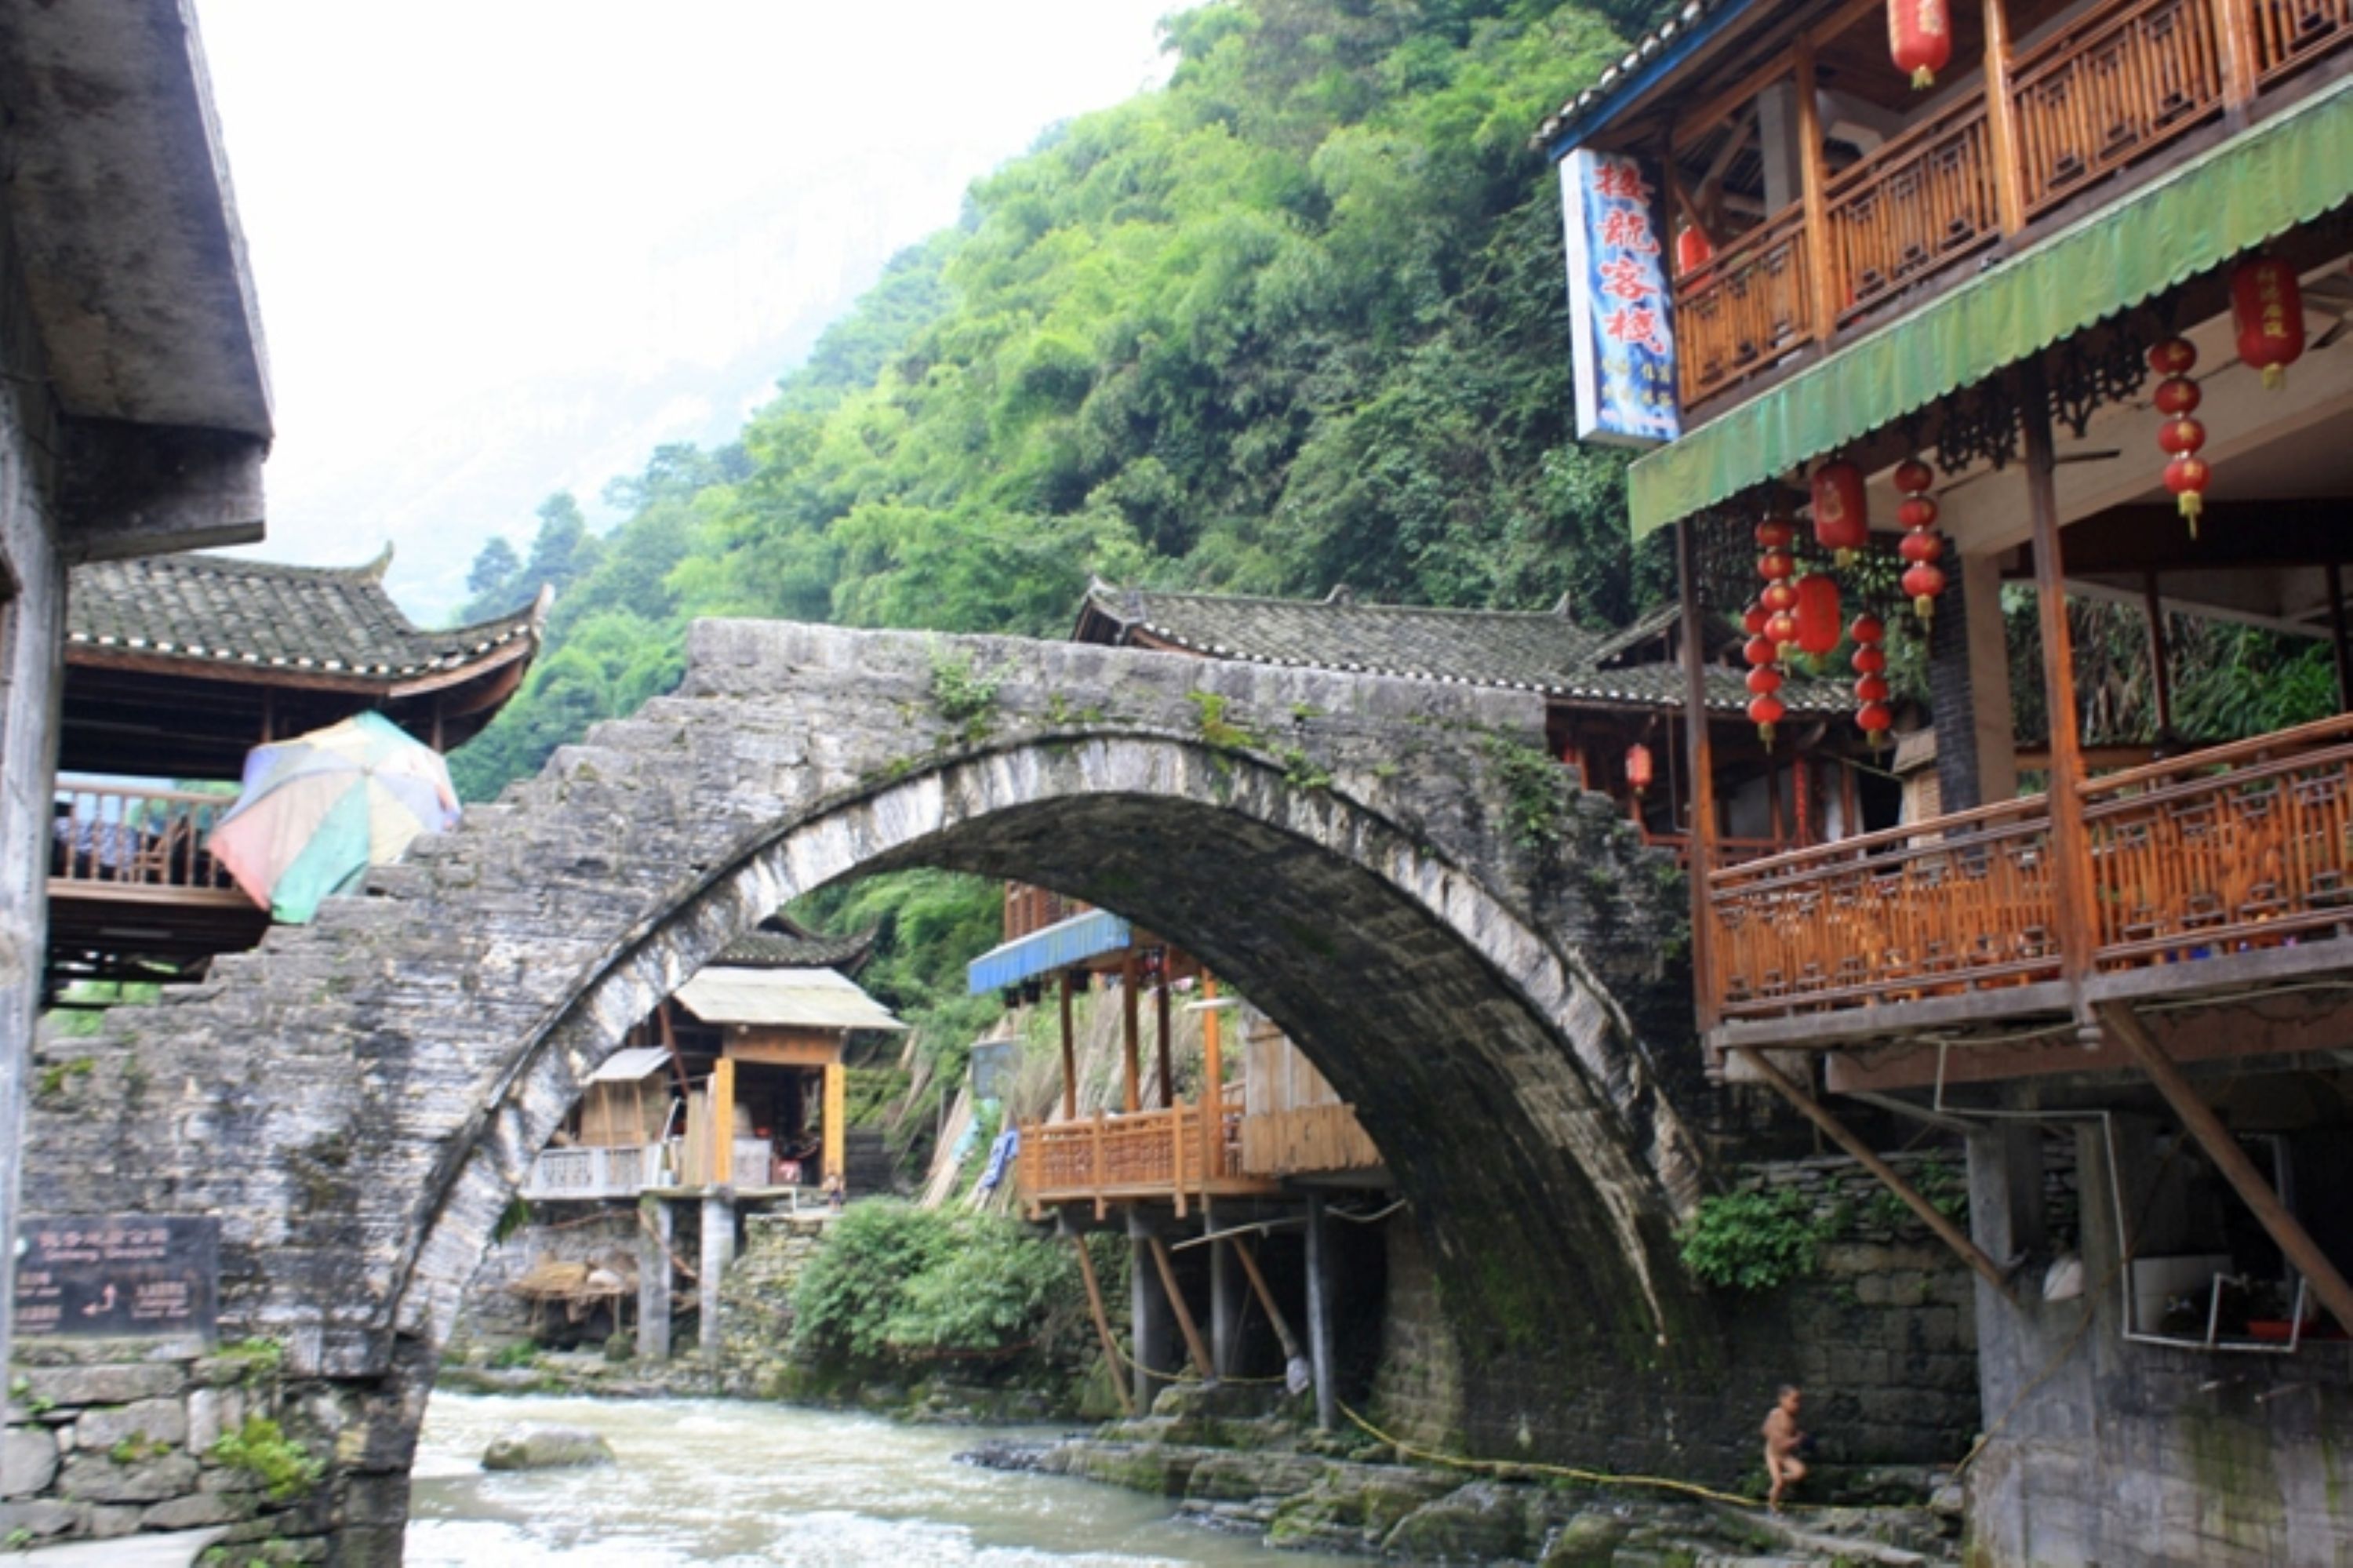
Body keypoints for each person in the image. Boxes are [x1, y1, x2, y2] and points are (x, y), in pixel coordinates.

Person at [1762, 1384, 1806, 1511]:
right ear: (1782, 1400)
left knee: (1800, 1472)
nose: (1797, 1405)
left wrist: (1798, 1439)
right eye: (1794, 1401)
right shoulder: (1776, 1414)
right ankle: (1772, 1507)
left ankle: (1780, 1481)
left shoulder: (1793, 1420)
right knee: (1778, 1483)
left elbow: (1792, 1439)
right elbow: (1765, 1430)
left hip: (1785, 1455)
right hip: (1773, 1454)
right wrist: (1775, 1435)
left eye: (1799, 1401)